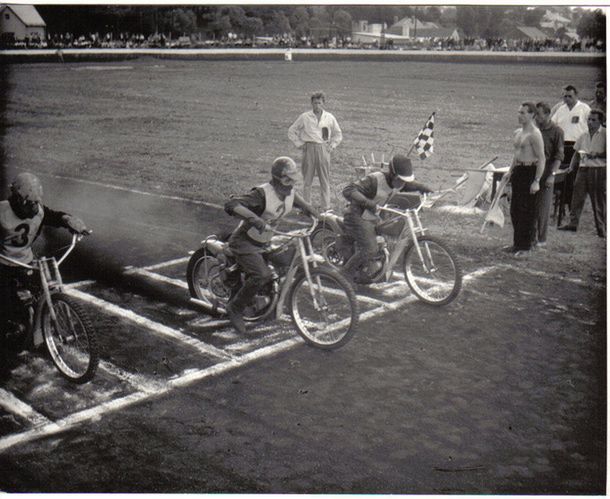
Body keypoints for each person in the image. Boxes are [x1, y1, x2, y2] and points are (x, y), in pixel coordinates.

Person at [0, 173, 89, 367]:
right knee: (7, 310)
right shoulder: (1, 212)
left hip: (26, 263)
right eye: (28, 203)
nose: (33, 207)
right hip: (4, 266)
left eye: (35, 202)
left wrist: (70, 220)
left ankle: (41, 336)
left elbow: (55, 216)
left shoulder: (38, 211)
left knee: (40, 295)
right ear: (16, 198)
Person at [223, 157, 318, 334]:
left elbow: (306, 206)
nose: (290, 184)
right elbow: (231, 204)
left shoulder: (289, 193)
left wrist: (318, 215)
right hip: (245, 242)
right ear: (277, 178)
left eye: (292, 179)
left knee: (285, 262)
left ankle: (267, 299)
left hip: (265, 241)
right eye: (286, 179)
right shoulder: (262, 194)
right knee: (261, 275)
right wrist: (255, 219)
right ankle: (235, 308)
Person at [341, 154, 432, 282]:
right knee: (370, 249)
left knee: (387, 239)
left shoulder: (399, 183)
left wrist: (422, 187)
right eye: (401, 179)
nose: (403, 183)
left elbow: (409, 185)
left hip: (373, 216)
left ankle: (370, 268)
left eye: (405, 180)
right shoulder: (374, 180)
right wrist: (368, 203)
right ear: (393, 174)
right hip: (357, 215)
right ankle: (344, 275)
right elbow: (348, 190)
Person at [288, 91, 343, 211]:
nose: (317, 106)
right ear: (311, 104)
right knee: (307, 179)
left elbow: (338, 134)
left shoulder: (329, 117)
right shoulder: (305, 117)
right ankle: (307, 207)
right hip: (309, 149)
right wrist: (300, 144)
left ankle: (326, 207)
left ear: (323, 103)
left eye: (319, 103)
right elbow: (292, 131)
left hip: (323, 149)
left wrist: (332, 146)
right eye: (314, 103)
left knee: (324, 179)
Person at [504, 102, 545, 257]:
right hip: (519, 171)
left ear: (532, 115)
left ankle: (526, 247)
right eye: (519, 112)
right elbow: (516, 155)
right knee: (515, 209)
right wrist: (510, 171)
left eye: (523, 113)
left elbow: (542, 158)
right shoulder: (518, 132)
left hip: (530, 171)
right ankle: (517, 244)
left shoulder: (535, 134)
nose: (519, 115)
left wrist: (536, 180)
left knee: (526, 211)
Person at [558, 110, 606, 237]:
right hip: (583, 168)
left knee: (598, 199)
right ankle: (573, 223)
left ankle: (601, 227)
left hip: (598, 168)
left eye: (594, 120)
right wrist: (572, 166)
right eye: (589, 119)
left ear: (600, 121)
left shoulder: (605, 134)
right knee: (577, 196)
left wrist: (598, 154)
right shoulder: (583, 134)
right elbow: (576, 153)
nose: (590, 122)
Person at [550, 85, 591, 214]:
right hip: (562, 145)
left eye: (570, 96)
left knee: (574, 177)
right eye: (565, 96)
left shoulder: (584, 109)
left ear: (576, 96)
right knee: (560, 175)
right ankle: (560, 205)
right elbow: (552, 125)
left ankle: (572, 206)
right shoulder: (560, 109)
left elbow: (591, 127)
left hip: (578, 146)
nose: (567, 99)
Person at [533, 102, 564, 248]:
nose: (536, 117)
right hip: (532, 170)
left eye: (538, 114)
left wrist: (552, 175)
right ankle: (530, 237)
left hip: (546, 172)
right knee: (530, 206)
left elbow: (558, 156)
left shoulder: (557, 131)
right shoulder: (534, 129)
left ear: (547, 114)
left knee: (543, 208)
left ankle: (541, 239)